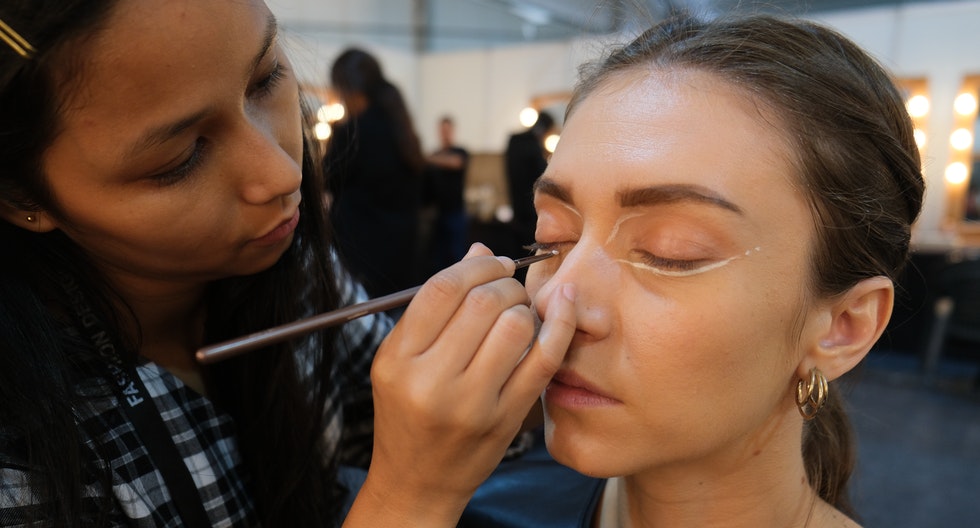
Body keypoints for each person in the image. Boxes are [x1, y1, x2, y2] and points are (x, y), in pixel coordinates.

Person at [0, 2, 577, 527]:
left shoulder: (296, 271)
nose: (283, 175)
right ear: (21, 195)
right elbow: (411, 465)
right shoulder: (23, 449)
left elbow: (399, 417)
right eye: (180, 158)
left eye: (266, 79)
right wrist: (411, 497)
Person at [524, 13, 924, 528]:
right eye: (553, 238)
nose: (555, 301)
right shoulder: (474, 499)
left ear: (844, 326)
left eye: (671, 252)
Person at [324, 47, 425, 299]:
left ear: (347, 87)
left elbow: (327, 178)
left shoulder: (353, 132)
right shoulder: (400, 127)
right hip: (402, 255)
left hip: (363, 258)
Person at [422, 115, 471, 278]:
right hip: (438, 214)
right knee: (438, 259)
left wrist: (428, 158)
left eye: (447, 130)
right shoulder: (434, 156)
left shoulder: (460, 152)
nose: (445, 133)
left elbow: (456, 162)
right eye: (443, 130)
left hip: (456, 212)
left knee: (457, 255)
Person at [505, 110, 555, 263]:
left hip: (515, 207)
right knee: (529, 257)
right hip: (530, 212)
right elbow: (543, 178)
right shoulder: (533, 147)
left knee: (516, 256)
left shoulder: (514, 140)